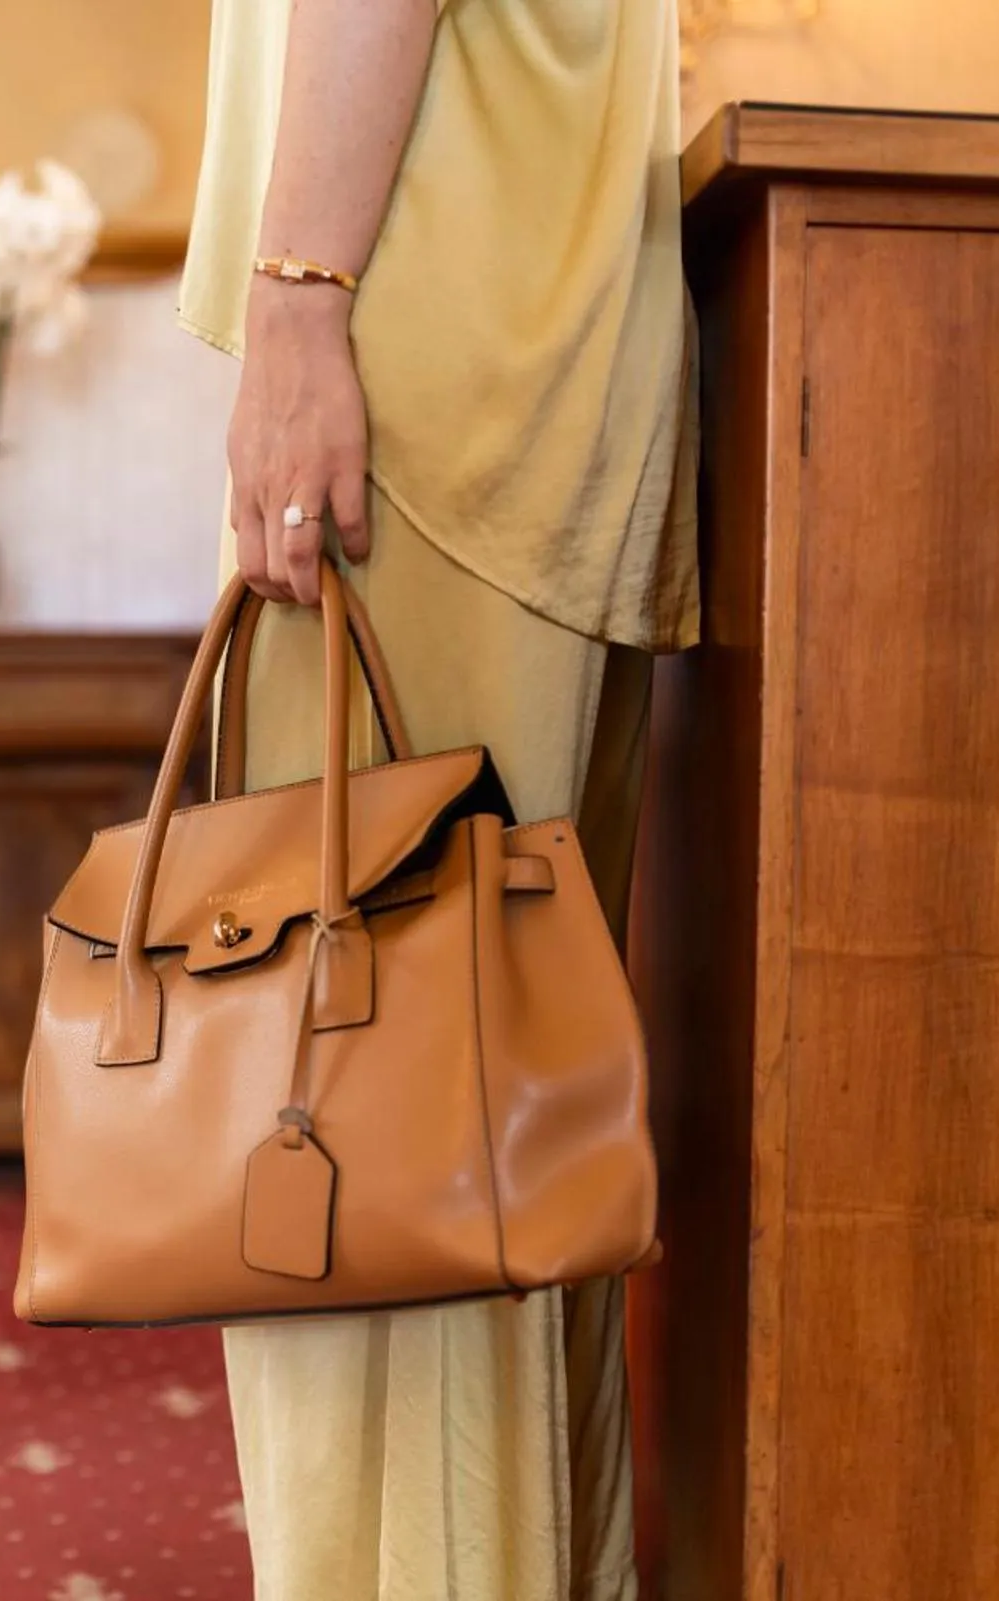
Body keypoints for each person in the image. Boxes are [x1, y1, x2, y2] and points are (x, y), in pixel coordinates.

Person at [175, 1, 699, 1598]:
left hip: (417, 382)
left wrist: (297, 304)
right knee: (478, 1138)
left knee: (353, 1142)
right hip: (511, 372)